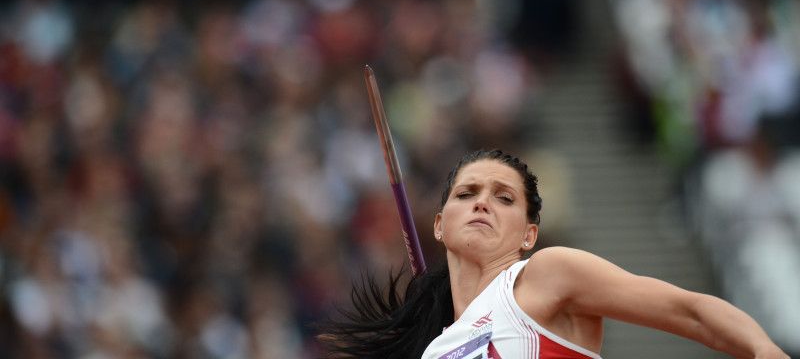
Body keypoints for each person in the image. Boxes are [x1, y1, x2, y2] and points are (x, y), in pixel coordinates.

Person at [318, 149, 790, 359]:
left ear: (529, 235)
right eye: (466, 193)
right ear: (439, 225)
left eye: (504, 198)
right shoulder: (437, 350)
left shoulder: (544, 276)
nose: (482, 202)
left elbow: (690, 311)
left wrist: (761, 348)